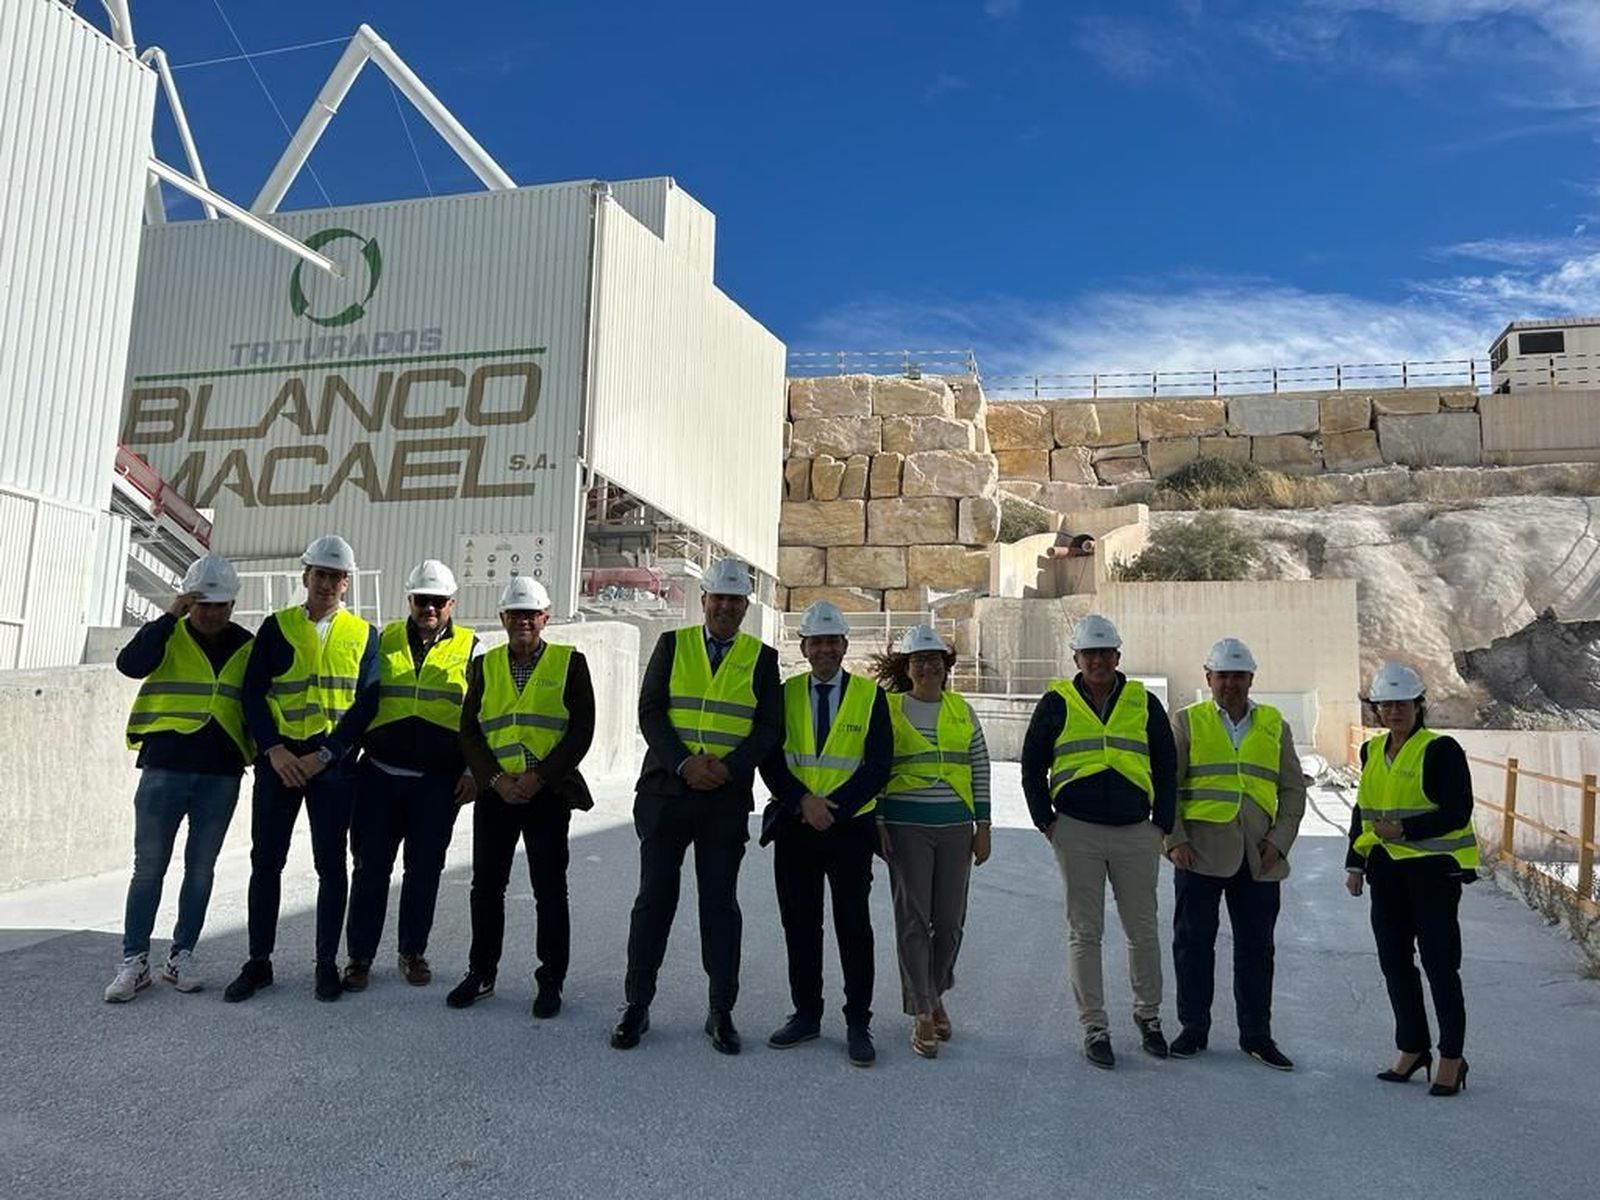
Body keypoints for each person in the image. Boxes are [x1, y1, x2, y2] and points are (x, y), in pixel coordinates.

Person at [611, 556, 784, 1055]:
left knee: (720, 907)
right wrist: (686, 764)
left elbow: (769, 729)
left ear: (746, 605)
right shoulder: (672, 644)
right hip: (667, 792)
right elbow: (651, 712)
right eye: (719, 597)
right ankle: (636, 1005)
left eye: (735, 599)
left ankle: (721, 1012)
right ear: (703, 600)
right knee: (653, 902)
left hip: (724, 800)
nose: (726, 606)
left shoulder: (762, 658)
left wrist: (727, 769)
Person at [224, 535, 379, 1004]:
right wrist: (273, 750)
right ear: (305, 576)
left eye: (336, 576)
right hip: (281, 762)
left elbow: (366, 705)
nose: (327, 583)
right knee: (265, 863)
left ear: (346, 583)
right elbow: (252, 693)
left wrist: (327, 754)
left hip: (330, 766)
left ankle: (325, 965)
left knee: (331, 866)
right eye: (320, 574)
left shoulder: (365, 634)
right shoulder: (277, 626)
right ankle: (258, 962)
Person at [1020, 613, 1177, 1070]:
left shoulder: (1142, 702)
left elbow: (1167, 767)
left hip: (1135, 832)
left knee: (1142, 930)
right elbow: (1032, 765)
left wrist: (1160, 825)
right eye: (1090, 653)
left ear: (1118, 656)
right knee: (1085, 932)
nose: (1098, 660)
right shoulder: (1057, 701)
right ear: (1077, 657)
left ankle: (1149, 1017)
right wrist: (1046, 822)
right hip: (1077, 831)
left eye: (1105, 653)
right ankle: (1095, 1026)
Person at [105, 555, 254, 1002]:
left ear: (232, 604)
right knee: (148, 868)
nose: (210, 613)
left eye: (219, 605)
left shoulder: (248, 645)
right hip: (165, 765)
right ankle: (134, 960)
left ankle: (181, 954)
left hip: (221, 772)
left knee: (201, 869)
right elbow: (130, 665)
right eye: (202, 604)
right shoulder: (167, 635)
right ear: (188, 601)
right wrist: (169, 614)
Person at [449, 575, 595, 1017]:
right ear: (503, 618)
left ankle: (550, 980)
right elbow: (470, 730)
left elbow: (580, 732)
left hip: (546, 794)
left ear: (545, 618)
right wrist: (494, 779)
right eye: (515, 614)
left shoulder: (570, 663)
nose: (523, 622)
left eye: (530, 614)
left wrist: (539, 777)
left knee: (550, 890)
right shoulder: (485, 664)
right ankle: (482, 972)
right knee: (486, 888)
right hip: (498, 793)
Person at [757, 600, 892, 1067]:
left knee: (853, 927)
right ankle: (806, 1014)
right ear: (805, 647)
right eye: (817, 642)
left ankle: (858, 1021)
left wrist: (837, 808)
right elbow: (770, 758)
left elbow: (878, 764)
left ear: (844, 646)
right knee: (800, 925)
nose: (825, 649)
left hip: (848, 829)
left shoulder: (869, 696)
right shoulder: (784, 693)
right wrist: (803, 802)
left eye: (833, 641)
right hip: (796, 826)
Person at [1166, 637, 1306, 1070]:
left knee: (1257, 948)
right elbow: (1166, 786)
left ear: (1251, 679)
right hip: (1200, 852)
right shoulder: (1187, 722)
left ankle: (1256, 1034)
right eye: (1222, 675)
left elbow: (1292, 790)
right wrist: (1175, 840)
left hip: (1258, 855)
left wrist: (1278, 842)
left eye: (1238, 676)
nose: (1230, 684)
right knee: (1193, 944)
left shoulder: (1274, 725)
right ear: (1208, 678)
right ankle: (1194, 1028)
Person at [340, 560, 477, 992]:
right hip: (379, 777)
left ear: (452, 603)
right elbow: (359, 701)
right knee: (369, 869)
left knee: (424, 871)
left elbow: (481, 715)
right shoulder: (381, 641)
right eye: (422, 601)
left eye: (438, 602)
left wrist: (474, 769)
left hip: (437, 784)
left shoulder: (473, 648)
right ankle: (359, 958)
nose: (430, 608)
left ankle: (412, 952)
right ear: (410, 601)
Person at [1346, 661, 1478, 1097]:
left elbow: (1457, 811)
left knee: (1441, 965)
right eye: (1385, 705)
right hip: (1387, 873)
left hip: (1432, 875)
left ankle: (1451, 1058)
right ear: (1377, 710)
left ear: (1419, 705)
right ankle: (1412, 1048)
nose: (1394, 712)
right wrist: (1355, 863)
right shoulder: (1372, 752)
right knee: (1395, 963)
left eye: (1402, 704)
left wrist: (1405, 832)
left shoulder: (1442, 750)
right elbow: (1362, 811)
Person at [871, 624, 991, 1060]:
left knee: (951, 921)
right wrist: (879, 820)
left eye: (934, 660)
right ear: (907, 667)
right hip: (906, 825)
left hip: (956, 827)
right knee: (913, 919)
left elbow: (979, 764)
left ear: (945, 667)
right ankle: (922, 1008)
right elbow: (877, 766)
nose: (927, 666)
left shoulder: (962, 710)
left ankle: (935, 989)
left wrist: (984, 824)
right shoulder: (888, 709)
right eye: (919, 660)